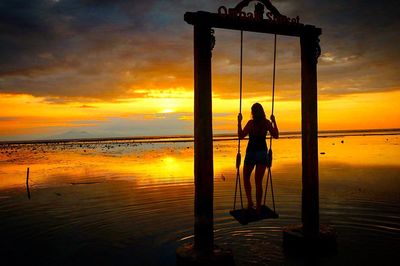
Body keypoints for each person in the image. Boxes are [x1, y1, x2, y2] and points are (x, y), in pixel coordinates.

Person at [238, 102, 279, 214]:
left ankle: (250, 202)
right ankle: (259, 207)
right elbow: (276, 135)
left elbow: (241, 135)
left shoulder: (251, 123)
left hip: (251, 152)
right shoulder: (266, 123)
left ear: (253, 112)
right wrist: (274, 121)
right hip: (262, 153)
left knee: (246, 178)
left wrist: (239, 122)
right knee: (258, 182)